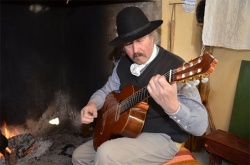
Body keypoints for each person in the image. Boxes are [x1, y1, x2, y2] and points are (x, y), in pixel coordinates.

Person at [72, 6, 208, 165]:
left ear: (152, 37)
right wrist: (93, 103)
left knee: (105, 154)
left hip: (163, 137)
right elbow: (106, 90)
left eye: (140, 40)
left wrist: (174, 107)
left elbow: (200, 126)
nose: (135, 50)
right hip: (128, 131)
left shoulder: (177, 68)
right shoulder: (122, 64)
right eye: (128, 44)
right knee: (79, 156)